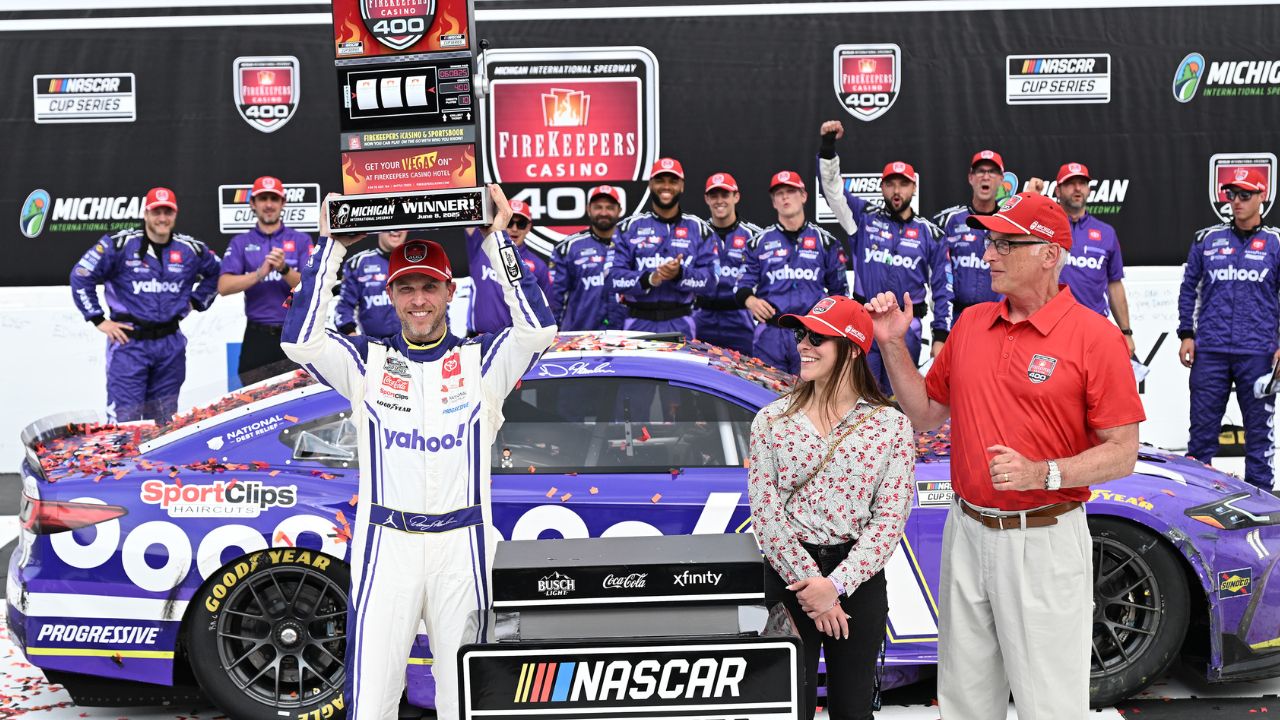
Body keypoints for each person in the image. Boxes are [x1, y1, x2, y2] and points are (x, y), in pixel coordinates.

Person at [865, 191, 1144, 719]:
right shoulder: (971, 324)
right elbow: (925, 414)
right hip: (967, 530)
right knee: (966, 700)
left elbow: (1122, 454)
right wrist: (892, 345)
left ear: (1049, 253)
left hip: (1043, 539)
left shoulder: (1096, 338)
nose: (988, 255)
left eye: (1004, 243)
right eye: (989, 241)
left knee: (1050, 705)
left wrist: (1044, 473)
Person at [281, 186, 557, 720]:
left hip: (464, 542)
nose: (419, 300)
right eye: (405, 288)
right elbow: (299, 341)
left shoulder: (485, 359)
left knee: (467, 698)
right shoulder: (368, 363)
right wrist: (331, 247)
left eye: (429, 285)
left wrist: (499, 241)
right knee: (373, 698)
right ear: (390, 296)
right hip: (387, 544)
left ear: (450, 290)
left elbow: (540, 329)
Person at [748, 295, 913, 720]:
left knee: (854, 710)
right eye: (802, 334)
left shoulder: (890, 425)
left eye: (818, 337)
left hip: (857, 585)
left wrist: (835, 586)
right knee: (787, 709)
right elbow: (765, 516)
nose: (803, 344)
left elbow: (890, 519)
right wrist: (812, 587)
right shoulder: (771, 420)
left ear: (854, 348)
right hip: (789, 581)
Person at [816, 119, 951, 394]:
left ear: (913, 188)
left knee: (901, 401)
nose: (897, 191)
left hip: (907, 329)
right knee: (859, 398)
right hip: (864, 324)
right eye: (891, 184)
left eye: (903, 184)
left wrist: (940, 335)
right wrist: (828, 148)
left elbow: (943, 289)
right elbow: (832, 189)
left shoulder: (930, 234)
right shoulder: (863, 219)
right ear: (882, 188)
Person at [70, 187, 220, 422]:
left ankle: (159, 461)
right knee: (124, 420)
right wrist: (97, 319)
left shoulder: (190, 249)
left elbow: (217, 273)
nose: (162, 218)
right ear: (146, 214)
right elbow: (80, 275)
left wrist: (197, 301)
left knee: (165, 420)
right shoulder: (119, 244)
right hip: (129, 344)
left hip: (170, 345)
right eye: (156, 211)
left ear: (175, 214)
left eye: (167, 212)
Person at [1178, 167, 1280, 491]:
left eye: (1245, 195)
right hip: (1210, 351)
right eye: (1232, 195)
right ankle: (1194, 503)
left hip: (1259, 353)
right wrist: (1186, 334)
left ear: (1262, 196)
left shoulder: (1276, 243)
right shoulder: (1207, 239)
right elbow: (1189, 288)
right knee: (1201, 436)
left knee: (1259, 438)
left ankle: (1262, 504)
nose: (1236, 202)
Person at [734, 171, 847, 373]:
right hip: (771, 332)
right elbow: (741, 284)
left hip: (811, 333)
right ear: (773, 202)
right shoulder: (758, 242)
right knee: (766, 396)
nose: (785, 197)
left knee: (811, 397)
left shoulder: (826, 242)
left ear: (804, 196)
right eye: (779, 193)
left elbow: (840, 293)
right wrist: (750, 301)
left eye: (791, 191)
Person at [217, 175, 312, 386]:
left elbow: (310, 287)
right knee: (252, 400)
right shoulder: (241, 242)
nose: (268, 205)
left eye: (273, 198)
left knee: (299, 401)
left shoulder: (301, 240)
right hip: (257, 335)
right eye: (263, 199)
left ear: (283, 203)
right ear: (253, 203)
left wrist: (284, 269)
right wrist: (259, 274)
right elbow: (223, 287)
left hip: (293, 334)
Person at [608, 157, 719, 335]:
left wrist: (679, 274)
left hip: (681, 323)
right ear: (651, 184)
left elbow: (712, 280)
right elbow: (611, 278)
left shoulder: (700, 229)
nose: (666, 186)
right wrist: (650, 278)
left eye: (673, 181)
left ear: (682, 186)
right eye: (660, 180)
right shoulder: (627, 228)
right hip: (637, 323)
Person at [1052, 162, 1136, 355]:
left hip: (1094, 328)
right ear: (1058, 190)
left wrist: (1126, 332)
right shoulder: (1045, 228)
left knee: (1094, 385)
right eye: (1070, 183)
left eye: (1082, 183)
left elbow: (1114, 284)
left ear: (1089, 190)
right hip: (1053, 326)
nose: (1077, 188)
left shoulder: (1106, 233)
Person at [696, 172, 762, 354]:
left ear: (736, 196)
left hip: (740, 320)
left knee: (745, 376)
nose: (719, 201)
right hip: (702, 318)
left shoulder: (755, 236)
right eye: (714, 195)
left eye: (725, 195)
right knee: (696, 378)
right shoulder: (697, 232)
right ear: (706, 199)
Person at [933, 150, 1004, 319]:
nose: (985, 177)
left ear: (1001, 179)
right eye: (980, 171)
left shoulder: (1009, 222)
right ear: (971, 178)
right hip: (957, 317)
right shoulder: (947, 220)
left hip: (998, 317)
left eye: (992, 172)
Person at [548, 185, 627, 331]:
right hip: (579, 336)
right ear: (588, 209)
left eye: (610, 207)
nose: (604, 212)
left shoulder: (631, 245)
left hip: (625, 336)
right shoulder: (568, 248)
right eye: (598, 207)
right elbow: (556, 299)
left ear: (619, 211)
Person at [468, 198, 551, 335]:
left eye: (521, 224)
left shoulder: (538, 266)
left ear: (529, 227)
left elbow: (548, 310)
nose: (514, 228)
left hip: (517, 342)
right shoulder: (480, 247)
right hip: (479, 339)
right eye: (509, 222)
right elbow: (469, 207)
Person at [335, 230, 409, 339]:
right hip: (373, 346)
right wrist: (354, 339)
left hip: (413, 347)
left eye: (400, 225)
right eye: (390, 224)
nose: (396, 229)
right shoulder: (359, 263)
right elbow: (343, 309)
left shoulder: (420, 261)